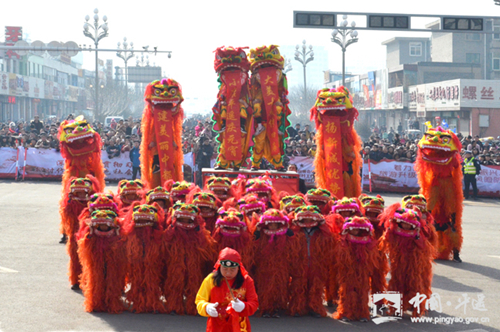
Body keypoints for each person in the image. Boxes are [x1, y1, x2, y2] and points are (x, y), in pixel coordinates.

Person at [196, 247, 258, 332]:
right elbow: (200, 300)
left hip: (239, 327)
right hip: (216, 326)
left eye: (232, 269)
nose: (228, 272)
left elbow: (254, 303)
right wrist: (206, 307)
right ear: (219, 266)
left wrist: (243, 306)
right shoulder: (210, 280)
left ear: (239, 268)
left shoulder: (247, 281)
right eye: (225, 269)